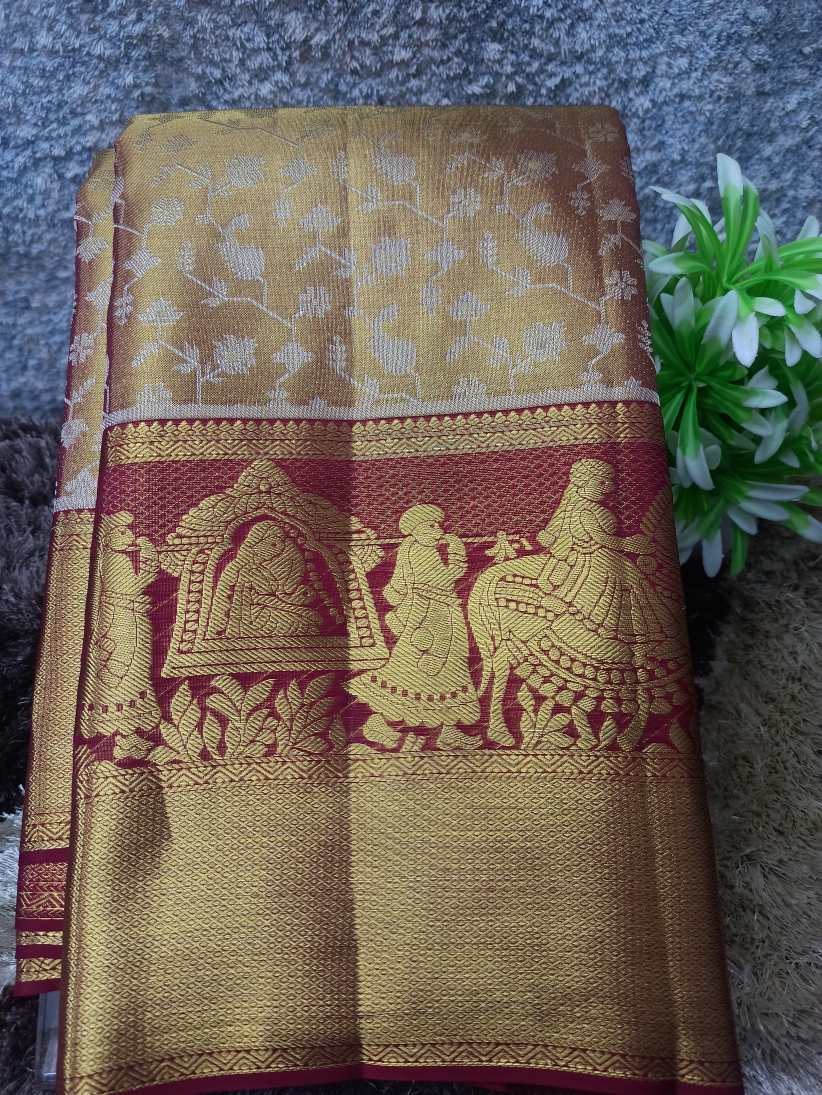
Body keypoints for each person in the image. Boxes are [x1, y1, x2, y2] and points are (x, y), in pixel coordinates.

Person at [347, 503, 480, 748]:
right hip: (430, 617)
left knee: (447, 670)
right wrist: (458, 554)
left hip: (437, 613)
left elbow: (397, 588)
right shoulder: (419, 551)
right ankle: (380, 724)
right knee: (414, 672)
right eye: (431, 526)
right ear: (416, 530)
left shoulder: (412, 549)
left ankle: (448, 731)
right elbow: (444, 579)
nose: (439, 530)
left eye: (438, 525)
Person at [535, 458, 678, 663]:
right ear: (584, 483)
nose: (609, 487)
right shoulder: (584, 510)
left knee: (632, 589)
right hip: (598, 560)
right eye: (601, 482)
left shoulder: (586, 507)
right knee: (624, 591)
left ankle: (641, 644)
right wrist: (630, 545)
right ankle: (631, 643)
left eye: (609, 481)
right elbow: (602, 539)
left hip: (602, 557)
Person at [212, 519, 321, 638]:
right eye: (273, 545)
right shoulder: (246, 570)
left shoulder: (259, 569)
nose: (276, 550)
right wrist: (291, 606)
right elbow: (260, 599)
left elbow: (275, 595)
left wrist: (292, 602)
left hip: (261, 612)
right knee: (301, 624)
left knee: (305, 622)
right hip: (250, 618)